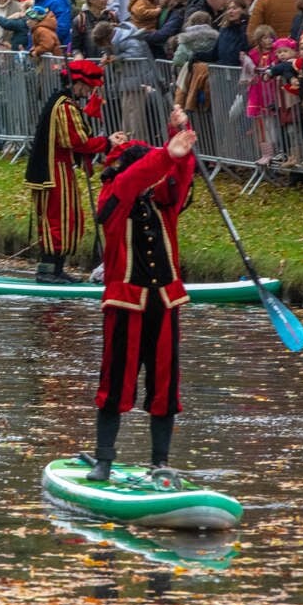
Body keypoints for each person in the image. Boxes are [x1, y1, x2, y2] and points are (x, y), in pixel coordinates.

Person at [82, 111, 199, 480]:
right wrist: (167, 153)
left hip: (165, 303)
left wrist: (179, 133)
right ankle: (104, 460)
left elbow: (180, 176)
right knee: (116, 382)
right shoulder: (113, 199)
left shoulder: (164, 205)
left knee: (165, 385)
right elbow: (135, 179)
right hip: (125, 303)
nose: (159, 180)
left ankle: (160, 463)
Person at [26, 60, 122, 283]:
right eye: (87, 87)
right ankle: (48, 271)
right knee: (58, 219)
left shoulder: (63, 103)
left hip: (58, 168)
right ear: (77, 84)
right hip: (53, 171)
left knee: (68, 217)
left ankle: (57, 270)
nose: (89, 92)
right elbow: (77, 141)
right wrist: (107, 143)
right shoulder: (64, 106)